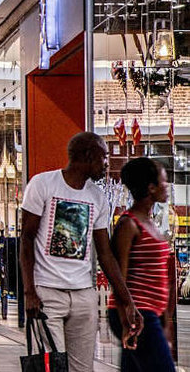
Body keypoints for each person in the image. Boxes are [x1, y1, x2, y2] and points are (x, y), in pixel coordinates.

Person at [20, 131, 143, 372]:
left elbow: (105, 254)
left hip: (83, 296)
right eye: (104, 157)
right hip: (47, 293)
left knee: (82, 368)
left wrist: (127, 301)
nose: (107, 164)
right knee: (50, 367)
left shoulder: (97, 197)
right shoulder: (43, 184)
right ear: (87, 156)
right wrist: (29, 291)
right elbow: (26, 238)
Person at [108, 157, 176, 371]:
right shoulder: (129, 224)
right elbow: (120, 277)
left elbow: (161, 277)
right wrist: (127, 321)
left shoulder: (150, 223)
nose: (167, 188)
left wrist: (166, 320)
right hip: (137, 314)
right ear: (151, 188)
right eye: (164, 183)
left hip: (150, 313)